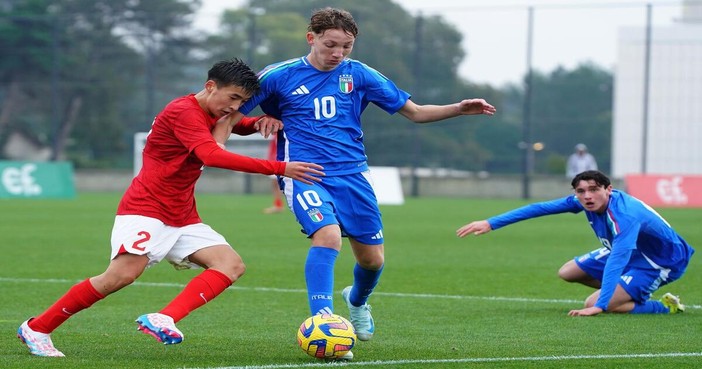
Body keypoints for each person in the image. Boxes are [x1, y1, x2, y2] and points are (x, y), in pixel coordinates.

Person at [214, 7, 496, 355]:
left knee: (372, 260)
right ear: (311, 38)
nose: (338, 53)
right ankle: (324, 324)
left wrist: (459, 108)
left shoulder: (360, 74)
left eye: (346, 46)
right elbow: (230, 114)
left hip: (353, 175)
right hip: (304, 172)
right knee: (328, 235)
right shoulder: (277, 76)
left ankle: (358, 301)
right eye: (331, 44)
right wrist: (217, 149)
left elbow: (416, 112)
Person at [16, 58, 325, 357]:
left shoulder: (211, 111)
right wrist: (278, 167)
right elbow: (211, 155)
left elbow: (234, 122)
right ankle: (38, 328)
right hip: (146, 208)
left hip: (182, 214)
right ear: (210, 86)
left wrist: (257, 122)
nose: (234, 106)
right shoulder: (183, 111)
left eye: (242, 100)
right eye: (232, 97)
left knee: (230, 265)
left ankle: (165, 317)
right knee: (119, 277)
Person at [456, 170, 694, 317]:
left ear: (608, 189)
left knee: (593, 302)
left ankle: (663, 307)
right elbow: (538, 208)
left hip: (659, 261)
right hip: (631, 251)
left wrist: (600, 306)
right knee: (568, 271)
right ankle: (622, 293)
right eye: (581, 191)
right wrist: (491, 223)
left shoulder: (625, 216)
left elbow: (618, 259)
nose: (587, 196)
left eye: (593, 189)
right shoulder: (582, 201)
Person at [263, 135, 284, 214]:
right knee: (276, 184)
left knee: (277, 184)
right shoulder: (275, 135)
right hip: (274, 161)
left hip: (277, 163)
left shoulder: (280, 135)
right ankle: (278, 204)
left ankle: (278, 205)